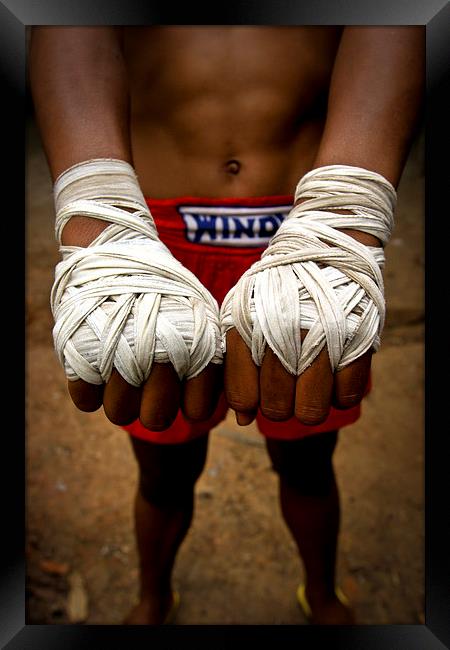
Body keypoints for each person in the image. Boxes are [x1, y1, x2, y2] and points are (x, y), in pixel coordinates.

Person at [29, 26, 424, 625]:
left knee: (310, 459)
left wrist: (345, 219)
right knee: (162, 469)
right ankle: (153, 597)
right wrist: (97, 220)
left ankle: (321, 594)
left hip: (306, 235)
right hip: (153, 242)